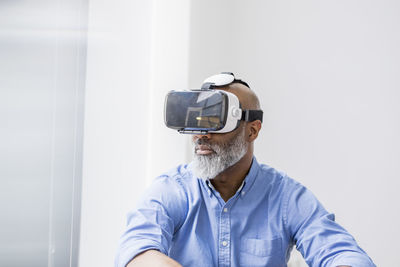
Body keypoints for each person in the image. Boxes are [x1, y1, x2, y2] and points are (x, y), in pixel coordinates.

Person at [115, 73, 375, 267]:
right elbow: (137, 251)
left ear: (252, 130)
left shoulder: (286, 197)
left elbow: (340, 251)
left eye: (215, 122)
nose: (201, 135)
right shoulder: (171, 189)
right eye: (198, 122)